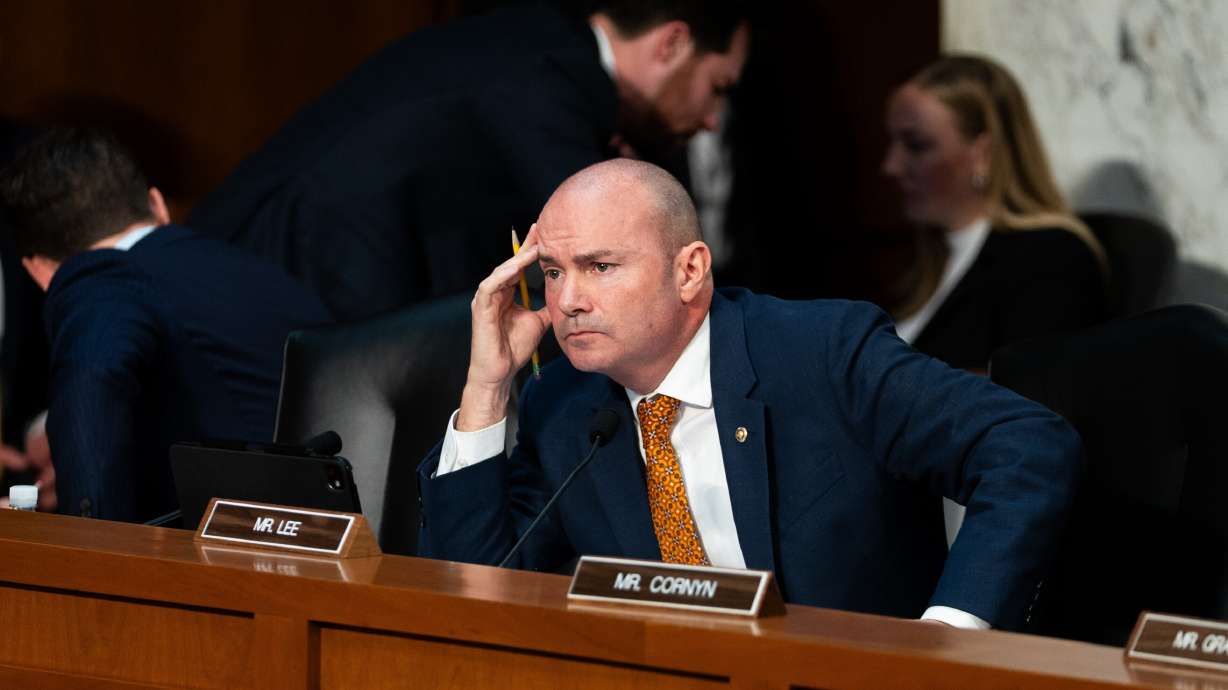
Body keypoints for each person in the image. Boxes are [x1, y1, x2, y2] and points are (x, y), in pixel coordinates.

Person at [416, 158, 1084, 631]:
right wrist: (488, 387)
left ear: (690, 270)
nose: (566, 301)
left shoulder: (822, 352)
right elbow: (474, 598)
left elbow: (1027, 447)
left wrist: (948, 634)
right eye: (554, 272)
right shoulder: (563, 404)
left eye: (600, 267)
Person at [188, 1, 750, 323]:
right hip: (291, 270)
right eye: (717, 87)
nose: (710, 118)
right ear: (671, 44)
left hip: (293, 266)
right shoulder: (552, 70)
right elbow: (611, 241)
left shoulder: (535, 41)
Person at [0, 127, 333, 523]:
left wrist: (83, 537)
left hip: (246, 550)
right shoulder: (252, 269)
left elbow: (94, 379)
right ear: (157, 205)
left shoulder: (100, 281)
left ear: (38, 270)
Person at [882, 54, 1107, 371]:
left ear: (983, 154)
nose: (891, 166)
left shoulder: (1050, 257)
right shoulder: (927, 261)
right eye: (892, 143)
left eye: (916, 145)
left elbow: (1031, 398)